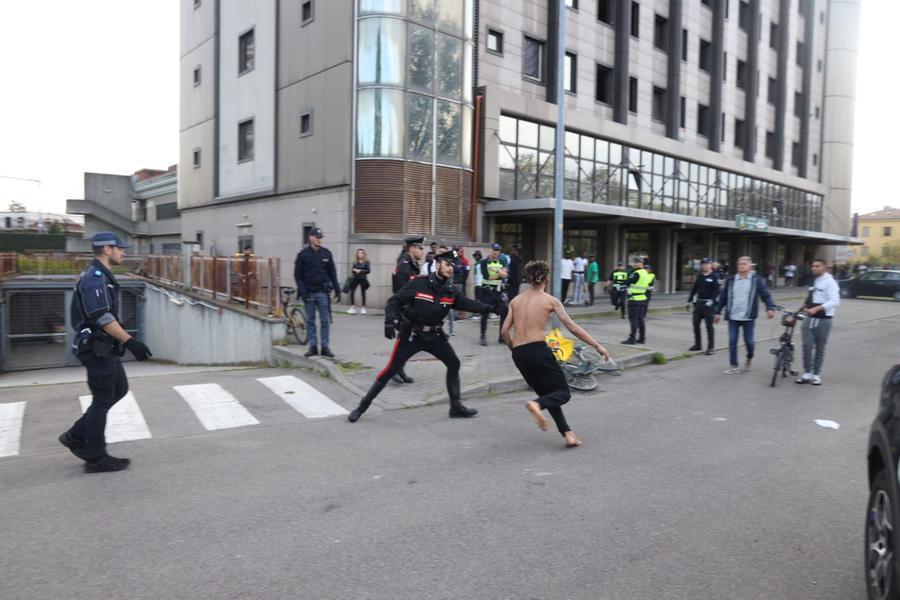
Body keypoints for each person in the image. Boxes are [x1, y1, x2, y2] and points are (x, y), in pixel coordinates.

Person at [348, 249, 491, 422]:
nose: (450, 269)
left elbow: (470, 304)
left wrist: (492, 308)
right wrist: (389, 320)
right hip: (412, 335)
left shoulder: (451, 291)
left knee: (454, 363)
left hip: (434, 336)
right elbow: (395, 301)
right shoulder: (419, 283)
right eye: (447, 265)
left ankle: (455, 407)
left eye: (453, 266)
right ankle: (361, 407)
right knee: (389, 371)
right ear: (437, 265)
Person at [59, 232, 153, 473]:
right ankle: (95, 457)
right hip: (96, 348)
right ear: (107, 249)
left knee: (119, 389)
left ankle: (75, 435)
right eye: (120, 248)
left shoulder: (103, 276)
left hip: (106, 347)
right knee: (102, 399)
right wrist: (131, 342)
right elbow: (101, 316)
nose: (124, 252)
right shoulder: (95, 278)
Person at [501, 260, 610, 448]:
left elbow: (504, 331)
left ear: (527, 279)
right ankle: (536, 405)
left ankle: (568, 434)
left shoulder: (515, 301)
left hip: (519, 353)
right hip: (538, 350)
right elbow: (573, 328)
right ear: (547, 279)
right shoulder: (550, 301)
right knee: (562, 393)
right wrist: (598, 346)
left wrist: (515, 349)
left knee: (548, 394)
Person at [715, 256, 776, 374]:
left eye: (744, 264)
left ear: (749, 266)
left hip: (748, 317)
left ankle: (749, 356)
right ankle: (734, 366)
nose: (742, 266)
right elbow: (723, 297)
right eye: (740, 264)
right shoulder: (731, 280)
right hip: (733, 316)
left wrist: (770, 308)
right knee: (732, 341)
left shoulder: (756, 280)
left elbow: (765, 295)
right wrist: (717, 312)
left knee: (749, 342)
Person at [294, 227, 341, 358]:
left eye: (320, 238)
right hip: (308, 293)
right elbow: (297, 275)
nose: (319, 240)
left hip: (322, 292)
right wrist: (303, 292)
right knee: (310, 321)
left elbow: (332, 273)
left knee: (325, 321)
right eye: (317, 237)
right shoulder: (303, 255)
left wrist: (337, 289)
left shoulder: (326, 253)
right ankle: (313, 346)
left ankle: (325, 347)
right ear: (310, 238)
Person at [796, 258, 841, 386]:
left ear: (825, 267)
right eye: (813, 266)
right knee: (807, 346)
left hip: (823, 319)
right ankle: (807, 373)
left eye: (817, 266)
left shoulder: (830, 282)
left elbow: (835, 301)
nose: (814, 268)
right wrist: (804, 305)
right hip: (809, 318)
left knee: (820, 348)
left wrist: (817, 308)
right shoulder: (813, 279)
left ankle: (816, 375)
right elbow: (810, 296)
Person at [390, 235, 426, 384]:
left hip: (411, 309)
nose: (422, 251)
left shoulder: (412, 263)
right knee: (403, 341)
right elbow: (401, 290)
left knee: (407, 342)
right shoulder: (404, 265)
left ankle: (400, 369)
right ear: (412, 248)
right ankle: (394, 370)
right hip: (404, 310)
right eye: (420, 248)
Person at [687, 257, 720, 355]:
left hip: (709, 305)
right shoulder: (700, 276)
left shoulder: (714, 277)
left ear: (711, 265)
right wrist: (689, 300)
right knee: (695, 324)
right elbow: (694, 289)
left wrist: (712, 301)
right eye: (703, 263)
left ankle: (711, 347)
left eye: (707, 263)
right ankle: (697, 345)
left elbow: (717, 291)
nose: (704, 265)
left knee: (709, 327)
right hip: (699, 304)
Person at [479, 242, 510, 346]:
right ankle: (482, 336)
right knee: (485, 314)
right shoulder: (484, 262)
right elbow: (487, 276)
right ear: (490, 250)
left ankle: (501, 336)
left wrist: (495, 271)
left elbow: (505, 275)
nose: (496, 252)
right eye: (494, 250)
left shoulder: (501, 261)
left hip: (498, 291)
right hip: (487, 292)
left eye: (498, 250)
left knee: (504, 312)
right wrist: (499, 273)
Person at [621, 256, 652, 345]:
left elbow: (627, 281)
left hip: (634, 299)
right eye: (634, 262)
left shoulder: (636, 273)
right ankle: (642, 338)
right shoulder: (645, 273)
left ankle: (632, 339)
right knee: (641, 319)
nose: (634, 264)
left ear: (641, 263)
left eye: (636, 262)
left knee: (633, 319)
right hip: (643, 299)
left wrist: (631, 271)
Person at [346, 248, 370, 315]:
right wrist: (355, 270)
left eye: (361, 253)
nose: (360, 254)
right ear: (357, 254)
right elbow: (352, 270)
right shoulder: (355, 261)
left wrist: (360, 271)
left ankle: (363, 308)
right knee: (352, 292)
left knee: (363, 293)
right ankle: (352, 307)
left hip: (363, 279)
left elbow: (368, 271)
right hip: (355, 279)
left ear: (364, 254)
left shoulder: (367, 262)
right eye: (359, 253)